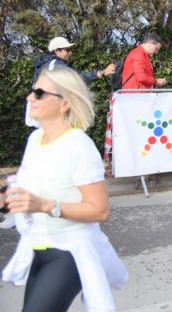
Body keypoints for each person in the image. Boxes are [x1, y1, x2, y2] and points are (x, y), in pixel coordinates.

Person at [2, 66, 128, 311]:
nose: (30, 98)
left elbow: (100, 211)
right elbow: (31, 192)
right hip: (38, 247)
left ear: (64, 104)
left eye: (39, 93)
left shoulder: (79, 145)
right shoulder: (35, 139)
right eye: (32, 91)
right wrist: (6, 200)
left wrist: (45, 206)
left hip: (69, 253)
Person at [32, 37, 115, 86]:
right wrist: (102, 73)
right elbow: (76, 79)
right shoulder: (54, 65)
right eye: (67, 50)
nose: (70, 52)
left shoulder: (48, 64)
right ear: (57, 51)